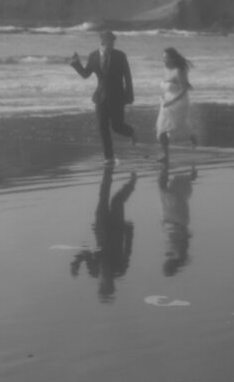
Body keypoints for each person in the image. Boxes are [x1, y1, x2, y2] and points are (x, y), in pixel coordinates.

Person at [70, 167, 137, 302]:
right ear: (112, 283)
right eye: (109, 283)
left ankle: (108, 170)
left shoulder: (94, 270)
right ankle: (132, 183)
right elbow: (128, 249)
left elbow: (86, 251)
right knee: (116, 200)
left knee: (103, 195)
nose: (105, 279)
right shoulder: (120, 269)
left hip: (101, 227)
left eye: (102, 284)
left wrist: (76, 262)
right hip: (117, 228)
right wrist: (129, 230)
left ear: (99, 284)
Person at [70, 30, 136, 165]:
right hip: (100, 97)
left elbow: (127, 77)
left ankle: (131, 132)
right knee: (102, 127)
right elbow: (85, 74)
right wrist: (76, 63)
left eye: (113, 43)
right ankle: (109, 157)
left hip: (118, 96)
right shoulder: (93, 56)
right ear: (102, 43)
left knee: (117, 127)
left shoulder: (120, 56)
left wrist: (129, 96)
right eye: (109, 43)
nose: (111, 46)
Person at [156, 47, 197, 163]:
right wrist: (163, 97)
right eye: (163, 58)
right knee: (161, 131)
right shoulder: (166, 68)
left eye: (166, 58)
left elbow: (185, 89)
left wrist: (172, 101)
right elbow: (165, 85)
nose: (164, 60)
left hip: (179, 103)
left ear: (173, 58)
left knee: (178, 129)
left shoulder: (179, 70)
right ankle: (165, 155)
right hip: (166, 103)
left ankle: (191, 136)